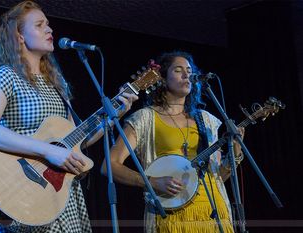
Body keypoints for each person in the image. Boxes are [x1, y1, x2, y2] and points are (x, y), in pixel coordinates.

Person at [0, 1, 138, 232]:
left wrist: (115, 114)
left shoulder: (57, 84)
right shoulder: (6, 76)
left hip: (58, 195)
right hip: (22, 193)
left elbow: (77, 141)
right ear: (19, 36)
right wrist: (48, 150)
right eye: (40, 25)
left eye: (48, 25)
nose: (50, 30)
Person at [102, 51, 244, 233]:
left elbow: (218, 178)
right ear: (162, 78)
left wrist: (236, 152)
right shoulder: (145, 118)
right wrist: (151, 182)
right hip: (171, 215)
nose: (187, 75)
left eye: (189, 70)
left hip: (213, 212)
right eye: (178, 70)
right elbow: (109, 165)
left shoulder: (206, 120)